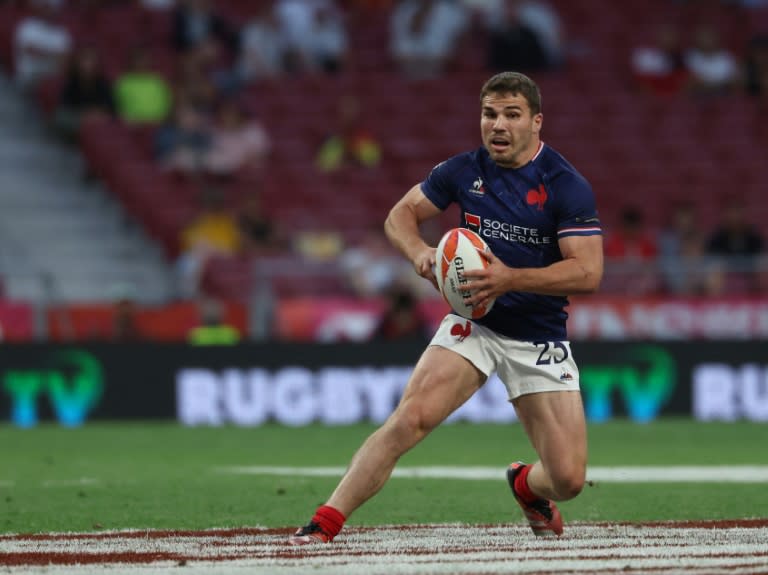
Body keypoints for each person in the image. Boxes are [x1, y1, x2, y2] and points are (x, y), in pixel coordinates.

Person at [289, 71, 603, 544]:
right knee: (409, 420)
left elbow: (588, 272)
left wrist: (509, 278)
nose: (498, 125)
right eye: (489, 114)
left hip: (539, 336)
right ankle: (325, 520)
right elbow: (400, 216)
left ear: (537, 122)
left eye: (511, 115)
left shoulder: (565, 184)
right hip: (474, 323)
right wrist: (420, 254)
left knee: (568, 480)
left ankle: (524, 485)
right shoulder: (463, 170)